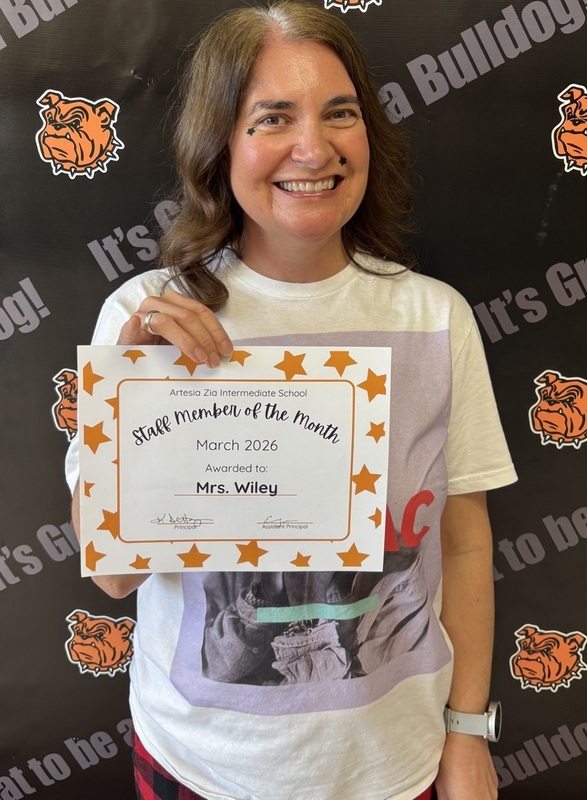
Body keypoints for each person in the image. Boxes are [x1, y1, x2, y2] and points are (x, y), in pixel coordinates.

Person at [67, 3, 517, 799]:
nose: (314, 148)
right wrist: (132, 403)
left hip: (395, 765)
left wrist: (467, 732)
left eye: (339, 114)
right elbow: (112, 582)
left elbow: (465, 541)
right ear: (219, 143)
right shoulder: (146, 316)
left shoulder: (433, 317)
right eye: (271, 118)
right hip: (201, 765)